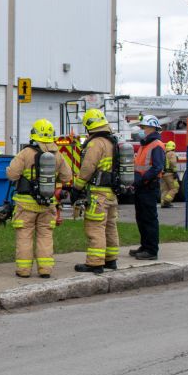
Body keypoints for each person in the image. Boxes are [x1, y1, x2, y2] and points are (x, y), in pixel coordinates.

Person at [5, 119, 72, 278]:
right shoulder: (57, 155)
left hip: (26, 204)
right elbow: (67, 177)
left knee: (24, 236)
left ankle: (23, 270)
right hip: (48, 203)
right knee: (45, 236)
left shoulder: (26, 153)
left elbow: (12, 175)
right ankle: (45, 269)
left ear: (34, 134)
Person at [71, 109, 120, 274]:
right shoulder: (112, 142)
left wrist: (77, 188)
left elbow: (87, 169)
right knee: (110, 226)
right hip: (111, 193)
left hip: (98, 194)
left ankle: (95, 263)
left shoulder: (96, 143)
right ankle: (111, 260)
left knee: (95, 227)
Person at [131, 115, 165, 260]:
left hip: (148, 186)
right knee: (141, 218)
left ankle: (151, 250)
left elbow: (157, 167)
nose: (141, 130)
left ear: (152, 128)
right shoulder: (145, 144)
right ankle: (145, 246)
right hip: (141, 186)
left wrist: (142, 179)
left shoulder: (156, 145)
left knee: (149, 219)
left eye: (143, 127)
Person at [160, 140, 179, 208]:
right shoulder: (172, 153)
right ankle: (167, 201)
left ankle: (163, 203)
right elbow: (173, 163)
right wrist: (175, 172)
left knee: (165, 190)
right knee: (174, 188)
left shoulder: (164, 154)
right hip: (170, 174)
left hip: (163, 174)